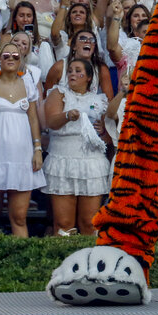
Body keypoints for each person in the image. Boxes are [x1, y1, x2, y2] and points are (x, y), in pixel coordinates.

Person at [0, 44, 46, 237]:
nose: (11, 58)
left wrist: (37, 148)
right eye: (6, 55)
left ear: (21, 58)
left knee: (19, 218)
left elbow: (33, 118)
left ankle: (20, 265)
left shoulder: (28, 83)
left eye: (15, 55)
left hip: (21, 155)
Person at [43, 58, 110, 235]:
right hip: (63, 160)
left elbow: (109, 136)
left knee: (89, 222)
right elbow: (51, 122)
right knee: (64, 222)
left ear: (89, 77)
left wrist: (104, 131)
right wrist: (67, 116)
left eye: (78, 70)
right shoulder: (59, 93)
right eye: (70, 70)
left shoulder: (100, 100)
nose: (72, 73)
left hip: (91, 163)